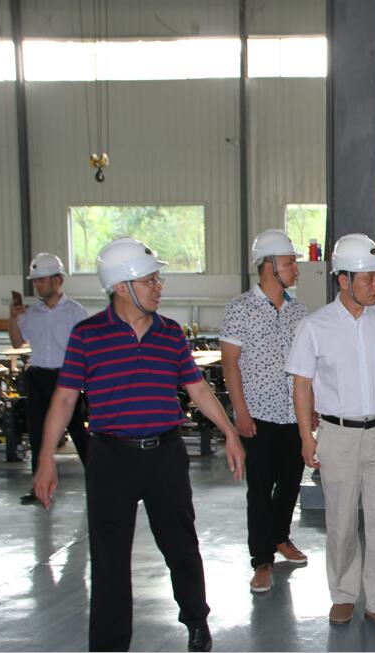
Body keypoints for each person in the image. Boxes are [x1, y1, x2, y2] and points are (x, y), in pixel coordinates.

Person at [32, 237, 245, 652]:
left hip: (165, 455)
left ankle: (196, 619)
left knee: (181, 546)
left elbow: (197, 388)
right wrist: (45, 459)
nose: (158, 287)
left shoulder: (170, 334)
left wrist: (230, 432)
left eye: (157, 280)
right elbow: (64, 398)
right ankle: (110, 645)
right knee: (109, 559)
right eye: (150, 281)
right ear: (121, 286)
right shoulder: (87, 335)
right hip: (111, 459)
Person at [286, 233, 375, 631]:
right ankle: (344, 594)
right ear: (343, 280)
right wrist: (306, 437)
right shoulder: (315, 326)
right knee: (342, 521)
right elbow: (302, 385)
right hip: (337, 435)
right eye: (368, 278)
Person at [220, 229, 309, 594]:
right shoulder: (240, 308)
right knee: (259, 489)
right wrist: (240, 412)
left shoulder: (299, 310)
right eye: (289, 263)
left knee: (290, 482)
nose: (295, 269)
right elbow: (230, 363)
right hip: (256, 415)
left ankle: (280, 537)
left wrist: (310, 409)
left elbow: (307, 366)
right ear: (270, 266)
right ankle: (261, 559)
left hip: (293, 414)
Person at [9, 253, 89, 505]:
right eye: (36, 281)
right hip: (38, 378)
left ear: (58, 280)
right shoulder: (32, 314)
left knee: (79, 433)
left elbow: (87, 349)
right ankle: (39, 489)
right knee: (37, 435)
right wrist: (13, 318)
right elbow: (16, 342)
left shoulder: (75, 312)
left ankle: (98, 484)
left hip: (67, 379)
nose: (38, 285)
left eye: (41, 280)